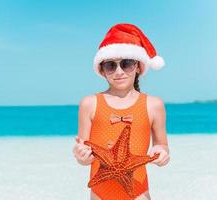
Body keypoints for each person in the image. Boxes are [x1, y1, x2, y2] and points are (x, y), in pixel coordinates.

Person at [72, 23, 170, 200]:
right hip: (100, 194)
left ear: (139, 66)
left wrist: (161, 153)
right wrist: (81, 156)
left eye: (126, 64)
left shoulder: (153, 105)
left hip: (139, 193)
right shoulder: (90, 103)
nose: (119, 71)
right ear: (102, 70)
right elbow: (84, 152)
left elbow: (162, 145)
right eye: (110, 65)